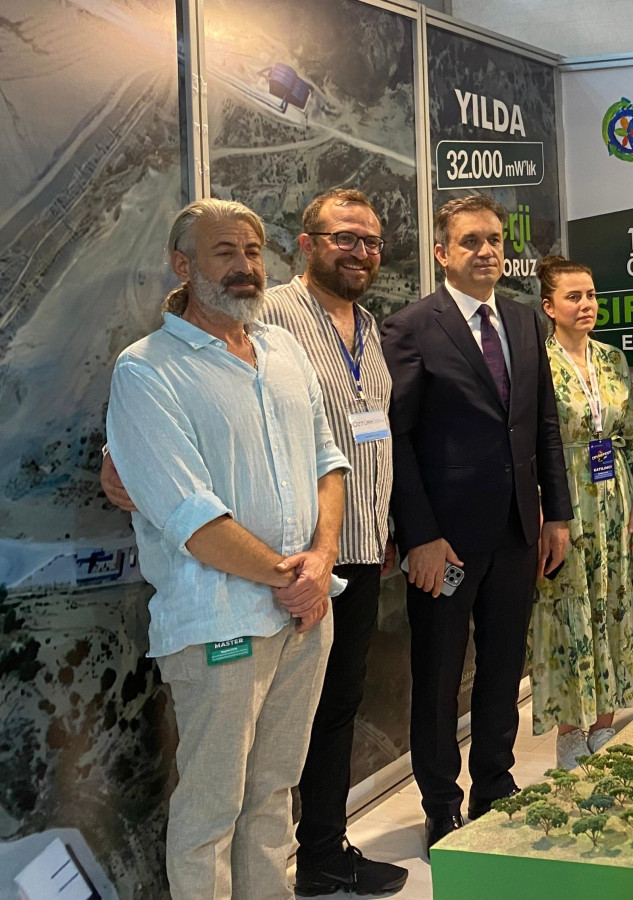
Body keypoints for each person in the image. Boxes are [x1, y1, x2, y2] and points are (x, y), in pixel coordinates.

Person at [100, 190, 406, 894]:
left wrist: (321, 560)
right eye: (224, 252)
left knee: (272, 794)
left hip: (303, 614)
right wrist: (292, 576)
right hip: (221, 623)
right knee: (212, 809)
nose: (244, 266)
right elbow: (190, 517)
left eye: (252, 251)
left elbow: (330, 460)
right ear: (183, 264)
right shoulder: (146, 370)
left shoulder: (282, 350)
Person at [381, 195, 571, 851]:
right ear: (442, 253)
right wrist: (419, 536)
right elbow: (398, 439)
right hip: (446, 544)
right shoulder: (411, 328)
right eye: (470, 241)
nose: (486, 251)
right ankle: (441, 803)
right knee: (438, 677)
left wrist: (556, 514)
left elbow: (543, 424)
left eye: (494, 239)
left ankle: (494, 785)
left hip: (518, 532)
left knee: (502, 670)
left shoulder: (523, 321)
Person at [528, 255, 633, 770]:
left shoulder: (611, 359)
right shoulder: (538, 363)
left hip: (614, 499)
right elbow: (532, 443)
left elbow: (629, 434)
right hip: (565, 499)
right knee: (568, 608)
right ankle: (570, 732)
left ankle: (605, 724)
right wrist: (543, 508)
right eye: (574, 296)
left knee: (613, 602)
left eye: (590, 295)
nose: (586, 304)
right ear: (549, 306)